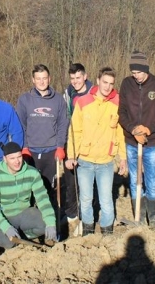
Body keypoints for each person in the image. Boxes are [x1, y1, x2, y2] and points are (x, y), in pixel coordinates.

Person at [66, 67, 127, 235]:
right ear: (98, 81)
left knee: (106, 199)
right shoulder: (83, 101)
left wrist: (123, 157)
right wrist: (71, 155)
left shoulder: (117, 103)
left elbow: (120, 132)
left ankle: (107, 232)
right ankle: (88, 231)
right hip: (85, 160)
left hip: (106, 161)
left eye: (111, 84)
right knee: (85, 199)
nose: (107, 87)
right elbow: (75, 131)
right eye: (105, 82)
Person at [118, 51, 155, 227]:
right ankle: (139, 216)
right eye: (133, 73)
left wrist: (149, 129)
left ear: (146, 69)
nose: (136, 76)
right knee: (135, 179)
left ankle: (152, 217)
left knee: (151, 179)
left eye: (139, 72)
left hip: (151, 142)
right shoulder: (127, 84)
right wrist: (133, 129)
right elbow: (121, 112)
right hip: (131, 141)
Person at [0, 142, 57, 249]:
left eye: (19, 157)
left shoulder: (32, 173)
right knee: (8, 244)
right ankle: (2, 236)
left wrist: (51, 223)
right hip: (5, 216)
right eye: (12, 158)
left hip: (24, 213)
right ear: (5, 159)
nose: (17, 161)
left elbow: (42, 199)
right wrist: (6, 227)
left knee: (45, 225)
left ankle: (23, 236)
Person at [15, 65, 69, 198]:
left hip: (51, 151)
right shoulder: (24, 99)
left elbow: (63, 124)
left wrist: (60, 146)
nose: (42, 81)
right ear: (33, 80)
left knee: (47, 188)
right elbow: (20, 125)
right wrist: (24, 146)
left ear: (49, 79)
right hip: (31, 151)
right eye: (38, 79)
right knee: (29, 188)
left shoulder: (58, 100)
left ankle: (48, 215)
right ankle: (31, 215)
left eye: (44, 78)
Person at [62, 63, 93, 233]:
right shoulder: (68, 93)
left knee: (86, 183)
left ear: (85, 76)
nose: (75, 81)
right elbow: (65, 116)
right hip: (72, 140)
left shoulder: (93, 93)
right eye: (72, 78)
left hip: (89, 144)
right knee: (71, 181)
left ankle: (86, 216)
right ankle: (71, 214)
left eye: (78, 78)